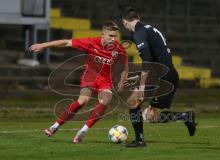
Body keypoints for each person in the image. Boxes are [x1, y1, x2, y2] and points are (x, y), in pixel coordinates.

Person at [29, 21, 128, 144]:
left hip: (105, 81)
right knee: (83, 101)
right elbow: (66, 42)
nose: (113, 39)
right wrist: (43, 45)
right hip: (89, 78)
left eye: (115, 36)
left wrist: (123, 79)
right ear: (103, 34)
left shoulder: (119, 49)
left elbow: (125, 66)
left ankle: (83, 131)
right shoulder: (91, 42)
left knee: (106, 101)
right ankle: (54, 127)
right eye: (110, 36)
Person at [121, 7, 197, 147]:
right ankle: (185, 117)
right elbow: (155, 60)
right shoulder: (148, 29)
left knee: (139, 106)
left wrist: (142, 86)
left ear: (125, 22)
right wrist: (137, 77)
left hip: (164, 77)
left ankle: (140, 140)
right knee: (141, 108)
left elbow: (148, 60)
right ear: (138, 17)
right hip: (165, 75)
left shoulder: (139, 33)